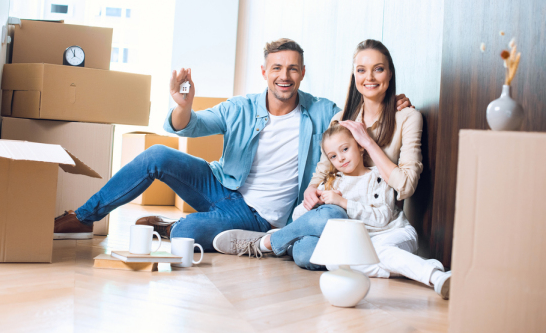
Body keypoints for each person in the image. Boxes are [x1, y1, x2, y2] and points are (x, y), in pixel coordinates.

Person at [53, 38, 411, 252]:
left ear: (302, 73)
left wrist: (389, 99)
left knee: (190, 233)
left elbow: (357, 118)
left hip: (255, 215)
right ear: (264, 72)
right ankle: (83, 218)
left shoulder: (322, 113)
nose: (283, 76)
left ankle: (169, 227)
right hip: (220, 186)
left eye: (292, 69)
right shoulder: (240, 107)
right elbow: (192, 126)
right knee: (156, 155)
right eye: (276, 68)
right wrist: (183, 105)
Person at [213, 39, 450, 298]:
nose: (369, 77)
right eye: (361, 70)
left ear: (390, 73)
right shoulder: (341, 119)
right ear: (354, 75)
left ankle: (269, 241)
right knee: (306, 252)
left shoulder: (407, 117)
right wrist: (312, 190)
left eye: (378, 69)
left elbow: (405, 185)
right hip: (345, 226)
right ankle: (379, 263)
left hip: (383, 226)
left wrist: (367, 142)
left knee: (359, 253)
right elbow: (323, 169)